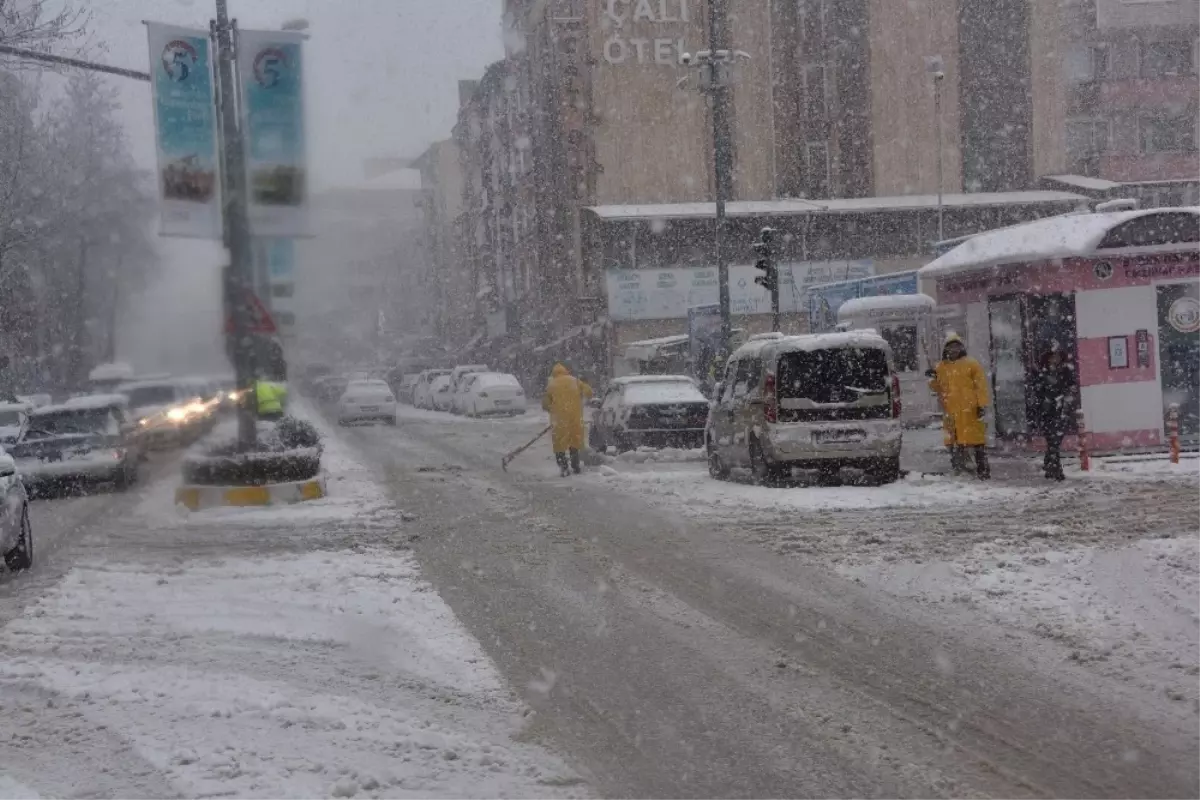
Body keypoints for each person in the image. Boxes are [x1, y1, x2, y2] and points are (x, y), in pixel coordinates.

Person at [928, 333, 991, 479]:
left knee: (976, 442)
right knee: (953, 442)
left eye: (956, 346)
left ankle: (983, 470)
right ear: (946, 349)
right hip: (951, 411)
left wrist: (982, 405)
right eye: (950, 347)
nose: (954, 350)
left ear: (961, 348)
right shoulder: (941, 367)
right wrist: (932, 378)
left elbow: (980, 386)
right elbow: (938, 388)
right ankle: (960, 469)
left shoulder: (971, 364)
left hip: (970, 410)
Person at [541, 363, 593, 477]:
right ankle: (575, 465)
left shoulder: (551, 385)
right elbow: (589, 393)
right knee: (574, 442)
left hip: (559, 420)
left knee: (559, 445)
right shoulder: (575, 381)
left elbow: (545, 405)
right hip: (575, 418)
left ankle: (564, 467)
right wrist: (584, 386)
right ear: (565, 371)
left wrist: (554, 410)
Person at [1032, 348, 1074, 481]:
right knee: (1053, 441)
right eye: (1052, 357)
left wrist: (1066, 396)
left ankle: (1049, 466)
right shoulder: (1041, 373)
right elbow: (1037, 391)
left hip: (1060, 410)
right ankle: (1056, 470)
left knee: (1055, 442)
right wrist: (1046, 399)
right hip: (1047, 412)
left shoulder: (1064, 371)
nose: (1055, 359)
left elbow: (1071, 386)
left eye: (1057, 356)